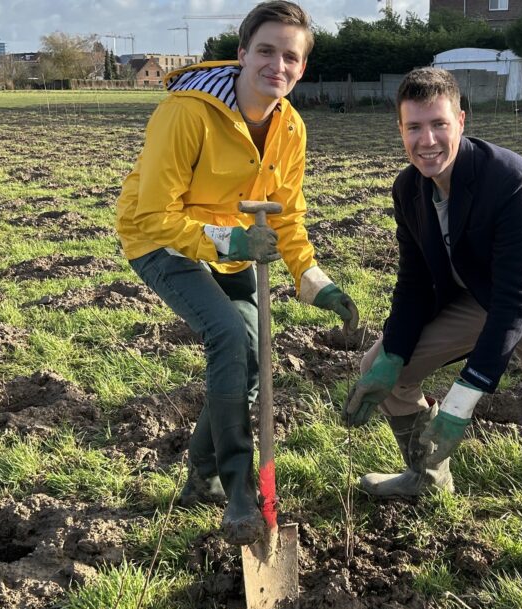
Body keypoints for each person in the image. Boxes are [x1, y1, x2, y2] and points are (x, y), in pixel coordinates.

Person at [342, 67, 522, 609]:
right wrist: (392, 356)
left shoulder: (510, 179)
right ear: (400, 129)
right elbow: (413, 285)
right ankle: (425, 475)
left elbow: (518, 300)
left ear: (462, 120)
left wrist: (462, 400)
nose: (427, 140)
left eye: (439, 123)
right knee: (380, 367)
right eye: (413, 127)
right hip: (480, 298)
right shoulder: (409, 189)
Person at [116, 0, 358, 546]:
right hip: (161, 243)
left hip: (229, 246)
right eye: (267, 50)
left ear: (302, 68)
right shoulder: (186, 112)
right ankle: (239, 489)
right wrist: (233, 240)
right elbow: (156, 213)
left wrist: (314, 280)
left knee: (251, 353)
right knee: (226, 334)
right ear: (243, 54)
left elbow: (286, 215)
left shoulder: (290, 127)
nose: (278, 64)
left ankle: (199, 475)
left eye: (291, 57)